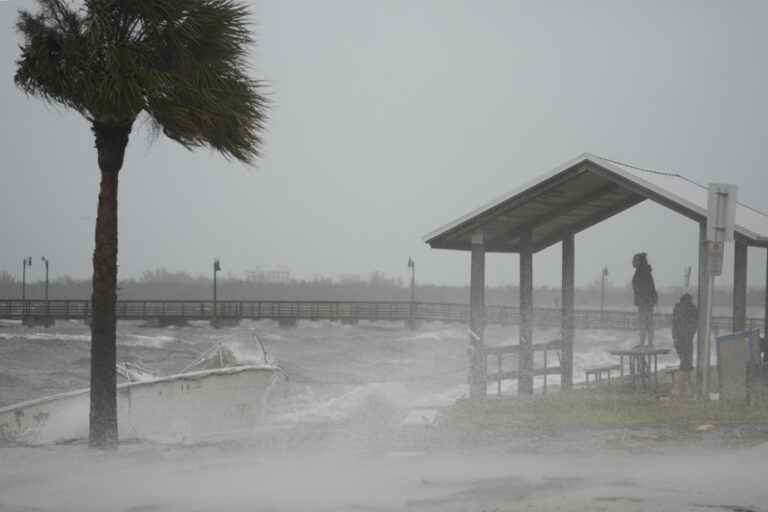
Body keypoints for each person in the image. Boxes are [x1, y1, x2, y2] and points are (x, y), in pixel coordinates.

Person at [632, 252, 658, 346]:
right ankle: (646, 343)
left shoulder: (642, 273)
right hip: (646, 302)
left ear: (639, 262)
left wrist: (643, 300)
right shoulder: (643, 272)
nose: (632, 262)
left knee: (644, 324)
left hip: (645, 303)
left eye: (634, 260)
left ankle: (646, 344)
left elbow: (645, 289)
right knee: (646, 323)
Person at [672, 293, 697, 371]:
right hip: (686, 334)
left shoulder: (678, 308)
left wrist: (675, 334)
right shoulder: (692, 308)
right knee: (686, 351)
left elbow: (674, 322)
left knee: (683, 351)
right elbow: (695, 322)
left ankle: (685, 365)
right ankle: (686, 365)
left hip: (682, 334)